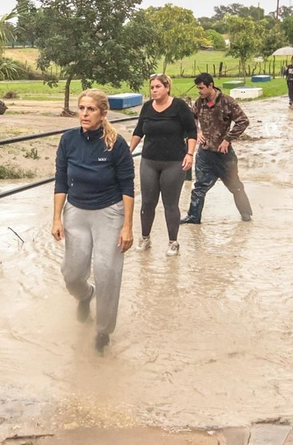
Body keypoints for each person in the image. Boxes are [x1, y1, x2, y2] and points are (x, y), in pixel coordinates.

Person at [52, 88, 135, 353]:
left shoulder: (116, 144)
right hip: (76, 212)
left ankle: (103, 332)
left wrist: (128, 226)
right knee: (72, 273)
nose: (85, 114)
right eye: (81, 108)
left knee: (107, 272)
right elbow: (61, 180)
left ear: (102, 113)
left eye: (91, 109)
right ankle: (86, 296)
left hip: (109, 213)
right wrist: (56, 218)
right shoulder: (68, 140)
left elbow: (128, 187)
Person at [127, 74, 196, 256]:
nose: (154, 90)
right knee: (147, 202)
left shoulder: (179, 106)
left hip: (174, 161)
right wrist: (129, 150)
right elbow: (139, 130)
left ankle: (173, 242)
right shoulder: (147, 107)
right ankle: (145, 238)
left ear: (167, 87)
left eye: (158, 87)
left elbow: (191, 131)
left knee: (170, 204)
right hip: (149, 160)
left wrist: (190, 154)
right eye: (152, 87)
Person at [181, 73, 252, 225]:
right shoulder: (199, 103)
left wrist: (228, 139)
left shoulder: (227, 102)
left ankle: (246, 214)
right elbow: (191, 118)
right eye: (198, 88)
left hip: (224, 155)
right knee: (199, 187)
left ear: (210, 86)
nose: (199, 91)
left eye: (201, 88)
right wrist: (197, 131)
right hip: (205, 153)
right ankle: (194, 217)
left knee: (235, 186)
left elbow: (243, 121)